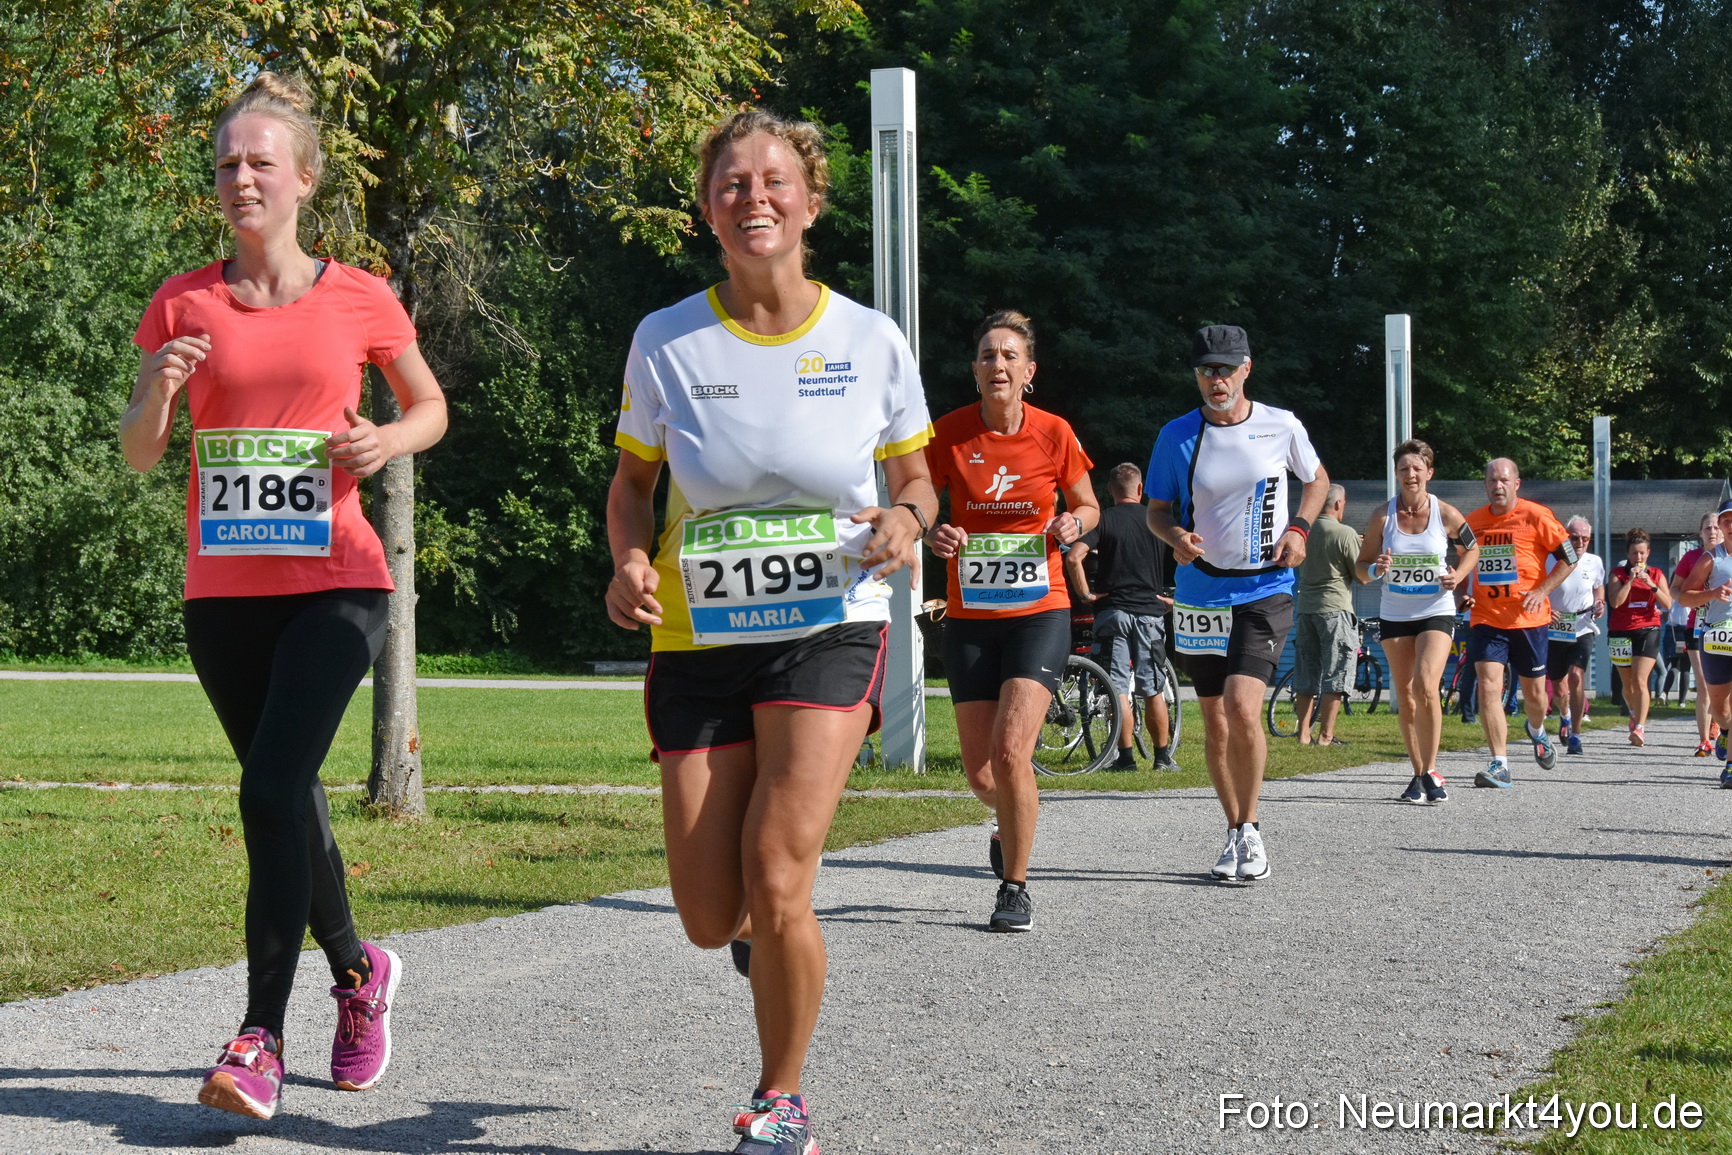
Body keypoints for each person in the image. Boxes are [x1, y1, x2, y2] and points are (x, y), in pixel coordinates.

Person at [604, 109, 936, 1155]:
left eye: (774, 180)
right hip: (699, 635)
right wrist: (626, 562)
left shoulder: (870, 340)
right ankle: (758, 932)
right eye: (732, 184)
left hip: (828, 623)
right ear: (708, 211)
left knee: (781, 871)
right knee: (712, 915)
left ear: (811, 200)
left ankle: (780, 1100)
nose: (754, 198)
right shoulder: (666, 339)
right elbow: (631, 487)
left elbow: (917, 478)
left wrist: (905, 518)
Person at [119, 74, 448, 1120]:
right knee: (286, 791)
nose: (241, 178)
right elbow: (140, 453)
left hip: (338, 580)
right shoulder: (182, 300)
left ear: (305, 179)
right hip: (223, 593)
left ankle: (258, 1035)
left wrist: (385, 439)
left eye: (261, 162)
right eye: (226, 163)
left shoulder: (360, 295)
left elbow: (430, 404)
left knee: (267, 789)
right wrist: (158, 389)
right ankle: (359, 972)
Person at [927, 309, 1097, 930]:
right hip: (970, 614)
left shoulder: (1054, 432)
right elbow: (919, 501)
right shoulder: (947, 433)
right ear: (974, 370)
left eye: (1008, 356)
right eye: (987, 355)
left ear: (1029, 371)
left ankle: (1015, 887)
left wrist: (1074, 523)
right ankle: (1009, 820)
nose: (997, 364)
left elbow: (1088, 504)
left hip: (1039, 610)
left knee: (1009, 751)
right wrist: (933, 530)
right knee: (981, 774)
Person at [1146, 325, 1327, 882]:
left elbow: (1317, 481)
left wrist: (1299, 527)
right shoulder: (1176, 435)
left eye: (1225, 369)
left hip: (1264, 589)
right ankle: (1234, 830)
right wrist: (1175, 537)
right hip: (1200, 593)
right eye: (1206, 370)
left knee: (1243, 707)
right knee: (1216, 723)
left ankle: (1251, 828)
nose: (1216, 380)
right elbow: (1157, 511)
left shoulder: (1281, 424)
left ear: (1246, 369)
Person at [1355, 439, 1478, 802]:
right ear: (1396, 474)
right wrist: (1376, 569)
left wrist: (1458, 576)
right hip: (1395, 613)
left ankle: (1432, 769)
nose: (1410, 474)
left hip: (1436, 610)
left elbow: (1472, 549)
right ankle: (1418, 774)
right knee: (1406, 695)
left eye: (1417, 468)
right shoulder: (1382, 516)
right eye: (1404, 468)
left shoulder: (1446, 514)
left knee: (1425, 684)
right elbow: (1361, 568)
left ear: (1429, 473)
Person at [1461, 458, 1576, 787]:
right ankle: (1500, 764)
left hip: (1529, 620)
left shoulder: (1537, 515)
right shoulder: (1472, 522)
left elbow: (1569, 557)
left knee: (1536, 698)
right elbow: (1462, 562)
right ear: (1485, 485)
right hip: (1487, 617)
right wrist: (1461, 593)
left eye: (1504, 480)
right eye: (1492, 480)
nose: (1497, 486)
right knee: (1488, 686)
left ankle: (1536, 730)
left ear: (1516, 483)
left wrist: (1542, 590)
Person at [1064, 463, 1178, 770]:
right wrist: (1175, 599)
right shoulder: (1157, 520)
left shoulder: (1103, 520)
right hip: (1149, 613)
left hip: (1112, 613)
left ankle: (1125, 759)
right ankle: (1162, 758)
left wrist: (1086, 595)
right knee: (1152, 688)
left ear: (1110, 490)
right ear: (1140, 489)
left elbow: (1074, 557)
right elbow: (1188, 553)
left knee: (1118, 689)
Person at [1292, 484, 1361, 746]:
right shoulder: (1345, 533)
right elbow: (1361, 574)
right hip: (1335, 609)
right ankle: (1326, 735)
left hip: (1306, 609)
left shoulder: (1303, 533)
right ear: (1338, 504)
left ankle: (1303, 733)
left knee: (1306, 673)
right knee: (1337, 672)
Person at [1677, 501, 1732, 784]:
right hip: (1716, 638)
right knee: (1721, 711)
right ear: (1720, 527)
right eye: (1727, 521)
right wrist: (1712, 594)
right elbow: (1684, 597)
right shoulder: (1710, 559)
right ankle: (1724, 731)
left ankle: (1731, 767)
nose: (1731, 526)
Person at [1545, 516, 1606, 755]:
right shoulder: (1549, 559)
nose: (1580, 542)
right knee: (1559, 690)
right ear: (1565, 537)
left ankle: (1576, 736)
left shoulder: (1594, 561)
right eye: (1574, 538)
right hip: (1555, 627)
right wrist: (1546, 610)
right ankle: (1565, 714)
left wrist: (1600, 602)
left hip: (1582, 625)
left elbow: (1598, 586)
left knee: (1576, 677)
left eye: (1585, 538)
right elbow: (1537, 588)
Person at [1607, 528, 1674, 747]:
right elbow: (1616, 602)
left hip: (1648, 628)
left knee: (1640, 679)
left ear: (1648, 553)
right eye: (1634, 553)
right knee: (1628, 685)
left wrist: (1650, 585)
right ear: (1628, 554)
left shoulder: (1656, 573)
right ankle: (1633, 712)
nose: (1638, 557)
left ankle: (1640, 728)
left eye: (1642, 553)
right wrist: (1630, 581)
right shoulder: (1617, 574)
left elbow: (1668, 603)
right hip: (1620, 630)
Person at [1672, 513, 1724, 755]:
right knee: (1703, 683)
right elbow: (1675, 590)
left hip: (1725, 626)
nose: (1712, 532)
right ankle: (1704, 740)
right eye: (1707, 528)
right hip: (1698, 625)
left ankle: (1721, 725)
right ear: (1700, 532)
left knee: (1723, 686)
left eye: (1715, 527)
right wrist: (1693, 598)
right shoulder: (1692, 558)